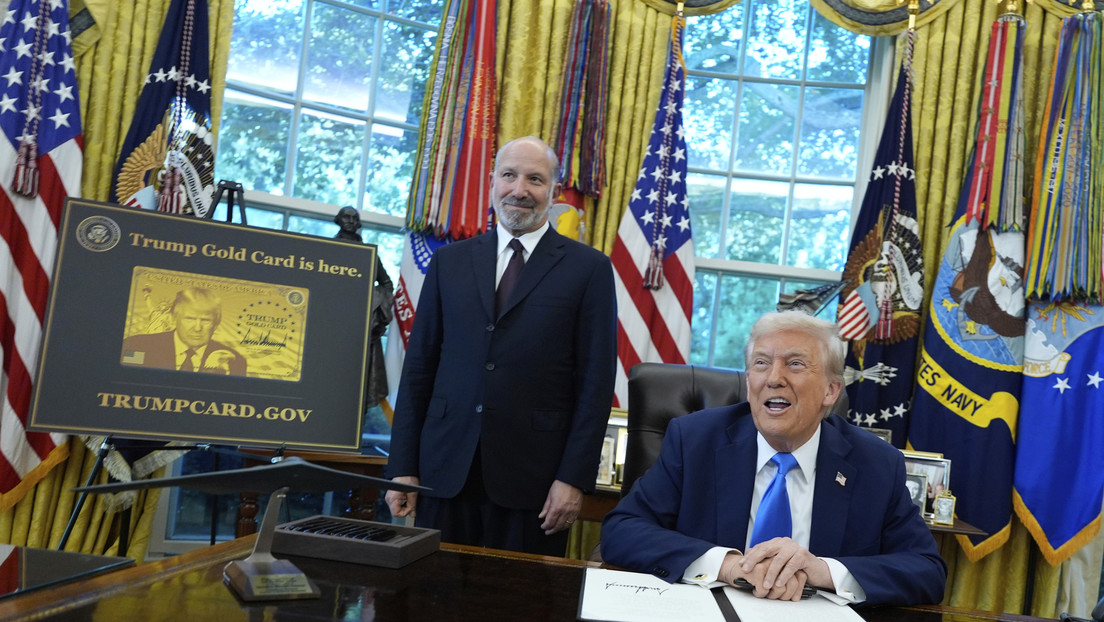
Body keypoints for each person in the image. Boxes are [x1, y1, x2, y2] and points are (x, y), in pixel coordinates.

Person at [600, 311, 946, 607]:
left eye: (795, 364)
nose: (774, 378)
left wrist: (821, 571)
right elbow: (622, 531)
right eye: (761, 364)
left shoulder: (876, 463)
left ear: (831, 391)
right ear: (749, 379)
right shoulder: (694, 440)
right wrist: (728, 565)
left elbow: (927, 570)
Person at [384, 136, 617, 556]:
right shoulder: (449, 263)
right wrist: (403, 467)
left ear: (555, 192)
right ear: (492, 182)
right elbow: (419, 368)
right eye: (509, 175)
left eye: (535, 179)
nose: (519, 189)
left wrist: (573, 478)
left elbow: (596, 385)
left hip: (536, 481)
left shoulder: (590, 270)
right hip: (444, 471)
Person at [332, 205, 395, 409]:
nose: (350, 221)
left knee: (361, 385)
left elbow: (386, 284)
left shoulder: (369, 255)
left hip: (362, 328)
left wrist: (374, 307)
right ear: (338, 220)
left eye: (354, 217)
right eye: (346, 217)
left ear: (358, 223)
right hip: (332, 324)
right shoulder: (328, 249)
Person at [121, 287, 246, 376]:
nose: (197, 328)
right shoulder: (137, 346)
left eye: (206, 320)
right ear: (174, 318)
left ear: (216, 324)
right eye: (190, 318)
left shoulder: (235, 360)